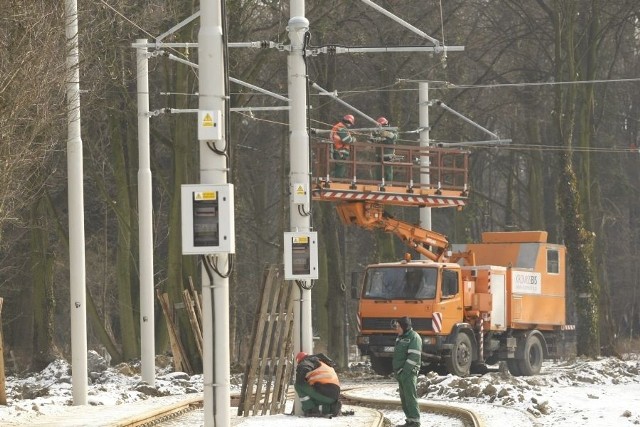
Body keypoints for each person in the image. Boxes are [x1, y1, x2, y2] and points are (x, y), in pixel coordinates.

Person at [392, 316, 422, 427]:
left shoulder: (414, 337)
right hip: (401, 373)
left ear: (405, 327)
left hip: (409, 373)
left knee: (410, 397)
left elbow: (414, 357)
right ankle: (410, 420)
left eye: (399, 326)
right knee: (404, 398)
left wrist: (405, 372)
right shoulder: (400, 337)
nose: (397, 329)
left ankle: (415, 421)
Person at [294, 351, 342, 417]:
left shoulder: (307, 361)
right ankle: (331, 408)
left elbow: (300, 381)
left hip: (325, 392)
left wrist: (299, 373)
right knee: (313, 400)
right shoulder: (321, 362)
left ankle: (309, 409)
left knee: (298, 385)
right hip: (333, 396)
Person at [371, 116, 398, 181]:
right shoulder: (376, 131)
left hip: (388, 155)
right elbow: (371, 139)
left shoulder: (392, 130)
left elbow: (395, 137)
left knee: (388, 172)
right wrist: (375, 138)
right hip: (379, 155)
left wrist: (387, 134)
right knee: (378, 172)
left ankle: (388, 185)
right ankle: (379, 184)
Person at [330, 114, 356, 178]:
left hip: (337, 150)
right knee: (340, 168)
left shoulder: (338, 126)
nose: (350, 125)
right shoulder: (341, 128)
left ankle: (335, 178)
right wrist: (353, 139)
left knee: (339, 167)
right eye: (350, 123)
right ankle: (338, 181)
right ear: (348, 121)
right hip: (340, 151)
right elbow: (346, 140)